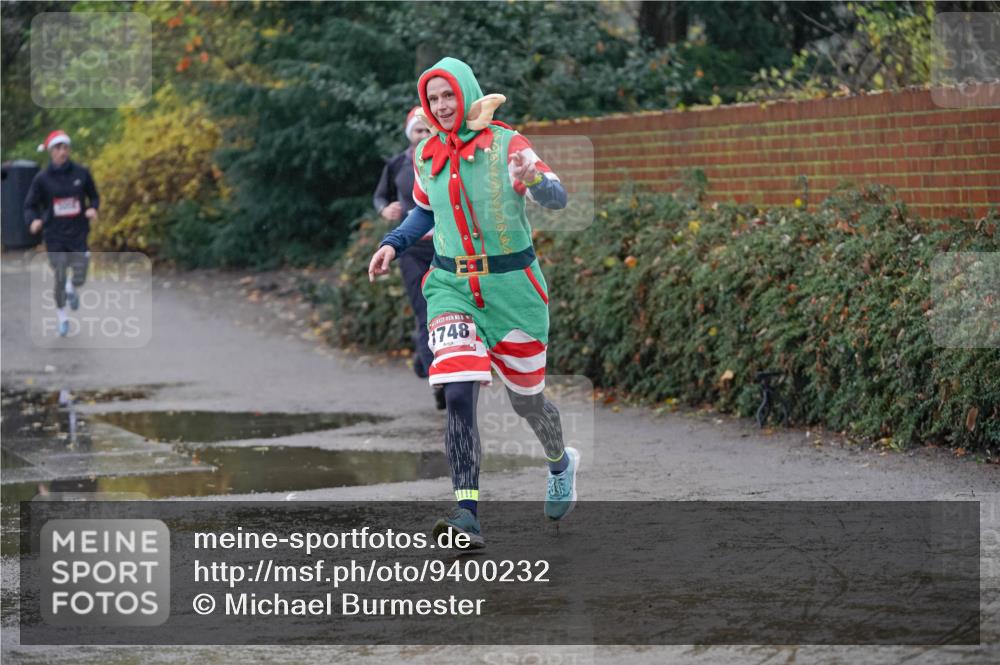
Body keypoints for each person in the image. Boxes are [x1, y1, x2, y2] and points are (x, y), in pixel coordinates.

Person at [368, 57, 579, 548]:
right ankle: (467, 515)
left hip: (514, 292)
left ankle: (560, 462)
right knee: (458, 391)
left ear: (465, 95)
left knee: (527, 402)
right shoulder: (425, 155)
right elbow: (424, 210)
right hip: (451, 287)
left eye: (448, 96)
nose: (441, 107)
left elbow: (559, 198)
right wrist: (393, 243)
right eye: (433, 98)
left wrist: (534, 180)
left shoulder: (508, 144)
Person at [372, 107, 444, 409]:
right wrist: (385, 210)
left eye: (428, 130)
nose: (423, 135)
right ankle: (437, 380)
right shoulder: (398, 163)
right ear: (409, 135)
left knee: (446, 311)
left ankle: (423, 354)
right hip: (411, 248)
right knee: (424, 311)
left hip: (444, 246)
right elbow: (380, 196)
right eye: (418, 131)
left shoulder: (447, 159)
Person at [24, 130, 100, 337]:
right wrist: (33, 221)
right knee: (59, 275)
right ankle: (62, 318)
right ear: (50, 152)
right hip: (54, 233)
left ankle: (72, 287)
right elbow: (29, 205)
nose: (62, 152)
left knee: (80, 275)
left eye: (65, 147)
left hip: (78, 232)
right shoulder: (42, 179)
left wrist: (93, 208)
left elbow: (94, 197)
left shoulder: (82, 173)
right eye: (58, 148)